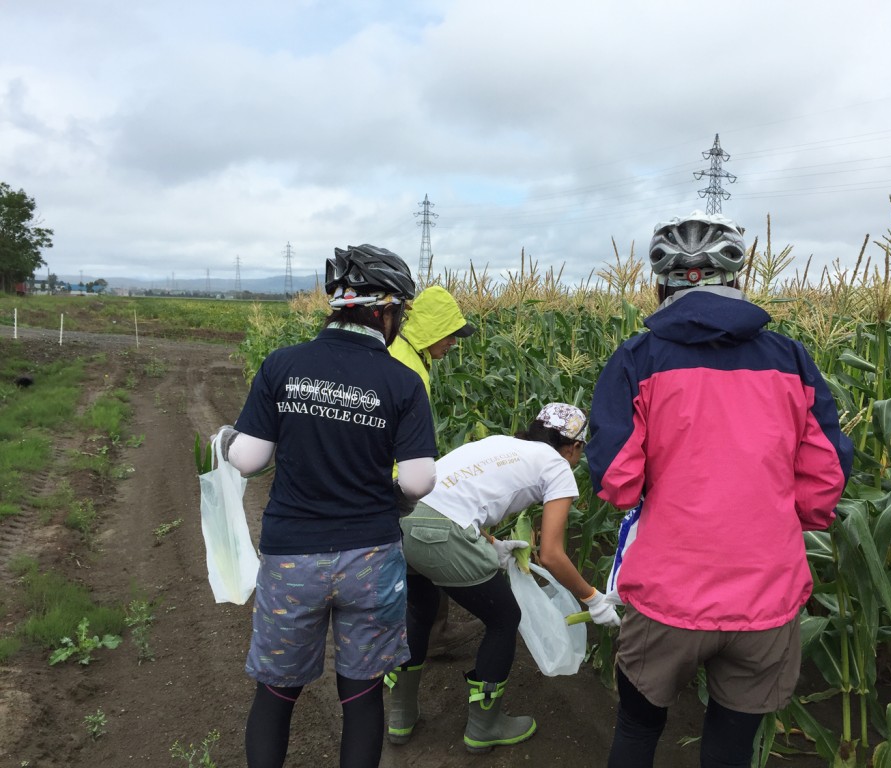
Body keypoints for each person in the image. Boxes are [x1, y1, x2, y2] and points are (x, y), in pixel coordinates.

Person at [586, 211, 853, 768]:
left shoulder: (639, 358)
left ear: (660, 285)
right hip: (766, 595)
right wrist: (770, 516)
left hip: (666, 594)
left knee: (638, 729)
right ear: (739, 278)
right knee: (731, 747)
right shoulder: (792, 360)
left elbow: (617, 479)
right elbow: (825, 481)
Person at [213, 245, 438, 768]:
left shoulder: (282, 365)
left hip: (293, 557)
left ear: (338, 306)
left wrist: (225, 440)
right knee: (361, 695)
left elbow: (248, 459)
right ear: (385, 312)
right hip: (371, 557)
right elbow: (420, 480)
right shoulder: (402, 382)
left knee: (276, 692)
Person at [386, 403, 621, 753]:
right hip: (439, 534)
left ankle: (401, 717)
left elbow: (456, 494)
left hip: (396, 521)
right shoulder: (557, 466)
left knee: (421, 608)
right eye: (579, 451)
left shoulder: (501, 444)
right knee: (504, 617)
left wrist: (493, 543)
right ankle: (484, 726)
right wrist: (593, 598)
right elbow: (553, 554)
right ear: (573, 446)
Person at [387, 284, 482, 656]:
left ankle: (430, 630)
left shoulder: (409, 355)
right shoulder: (405, 364)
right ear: (432, 330)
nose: (454, 344)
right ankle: (425, 635)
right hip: (395, 480)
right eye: (451, 335)